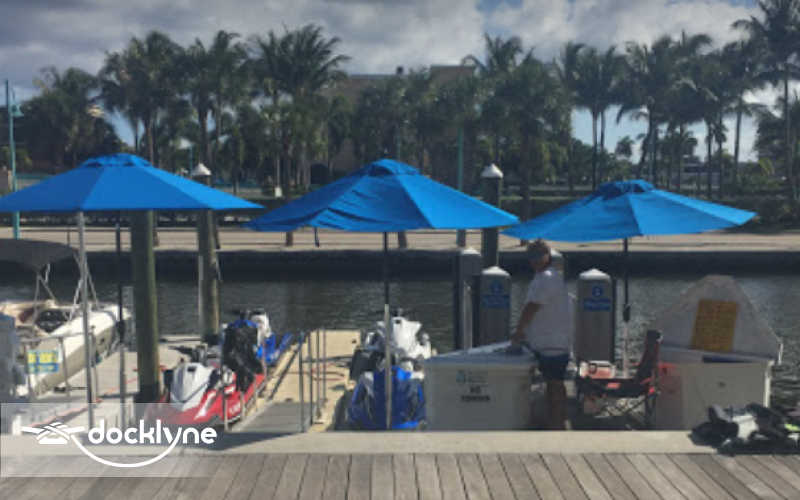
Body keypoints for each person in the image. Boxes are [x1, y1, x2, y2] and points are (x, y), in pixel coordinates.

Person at [512, 239, 573, 430]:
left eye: (538, 255)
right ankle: (552, 419)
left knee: (555, 385)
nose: (534, 260)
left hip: (553, 343)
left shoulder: (547, 277)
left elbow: (531, 308)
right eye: (531, 256)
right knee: (551, 384)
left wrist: (518, 331)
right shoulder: (541, 277)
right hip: (543, 341)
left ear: (548, 256)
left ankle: (557, 423)